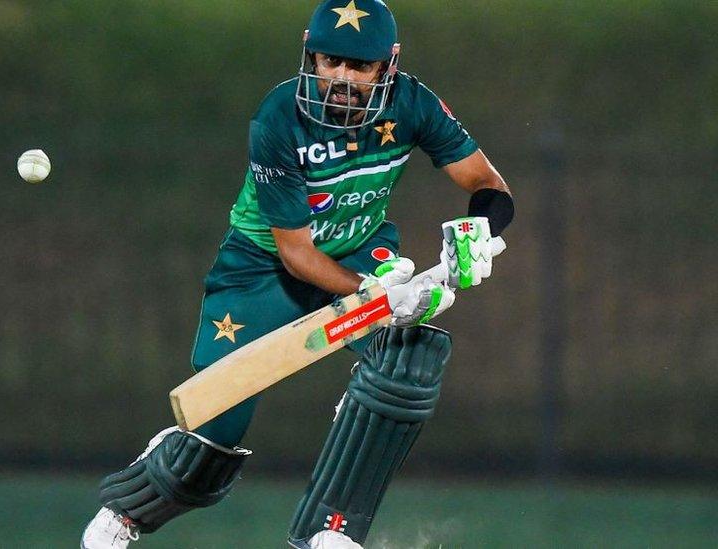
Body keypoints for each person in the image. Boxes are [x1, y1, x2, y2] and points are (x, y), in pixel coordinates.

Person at [81, 1, 513, 547]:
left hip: (360, 248)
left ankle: (330, 531)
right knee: (214, 434)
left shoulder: (413, 105)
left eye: (359, 67)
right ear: (311, 51)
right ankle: (128, 511)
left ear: (390, 63)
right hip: (262, 268)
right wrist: (373, 295)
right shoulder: (277, 118)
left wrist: (480, 235)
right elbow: (297, 255)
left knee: (409, 365)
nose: (341, 79)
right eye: (330, 60)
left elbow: (489, 184)